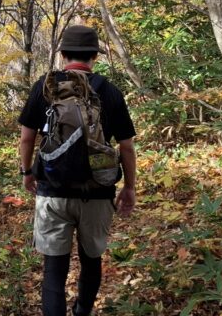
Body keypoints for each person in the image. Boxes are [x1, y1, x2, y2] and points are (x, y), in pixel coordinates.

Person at [18, 25, 137, 316]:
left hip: (52, 190)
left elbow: (26, 138)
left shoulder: (44, 86)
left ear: (62, 53)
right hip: (98, 191)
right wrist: (130, 187)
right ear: (95, 55)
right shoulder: (109, 90)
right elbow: (126, 146)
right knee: (91, 259)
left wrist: (27, 172)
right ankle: (82, 311)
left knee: (54, 270)